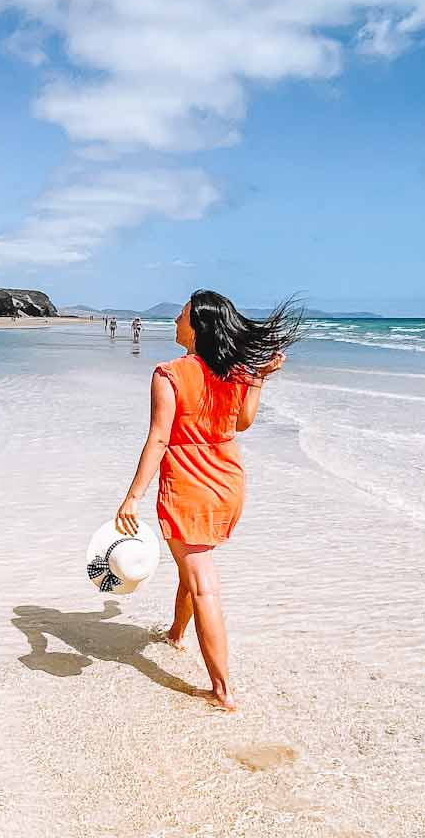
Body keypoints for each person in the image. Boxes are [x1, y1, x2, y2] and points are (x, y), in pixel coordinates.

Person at [114, 290, 300, 711]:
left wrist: (132, 498)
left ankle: (222, 691)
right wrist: (259, 377)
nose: (176, 323)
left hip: (189, 488)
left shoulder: (168, 374)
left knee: (203, 585)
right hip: (228, 485)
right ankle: (177, 634)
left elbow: (160, 437)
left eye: (181, 317)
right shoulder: (236, 372)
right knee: (191, 566)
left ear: (197, 328)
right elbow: (243, 423)